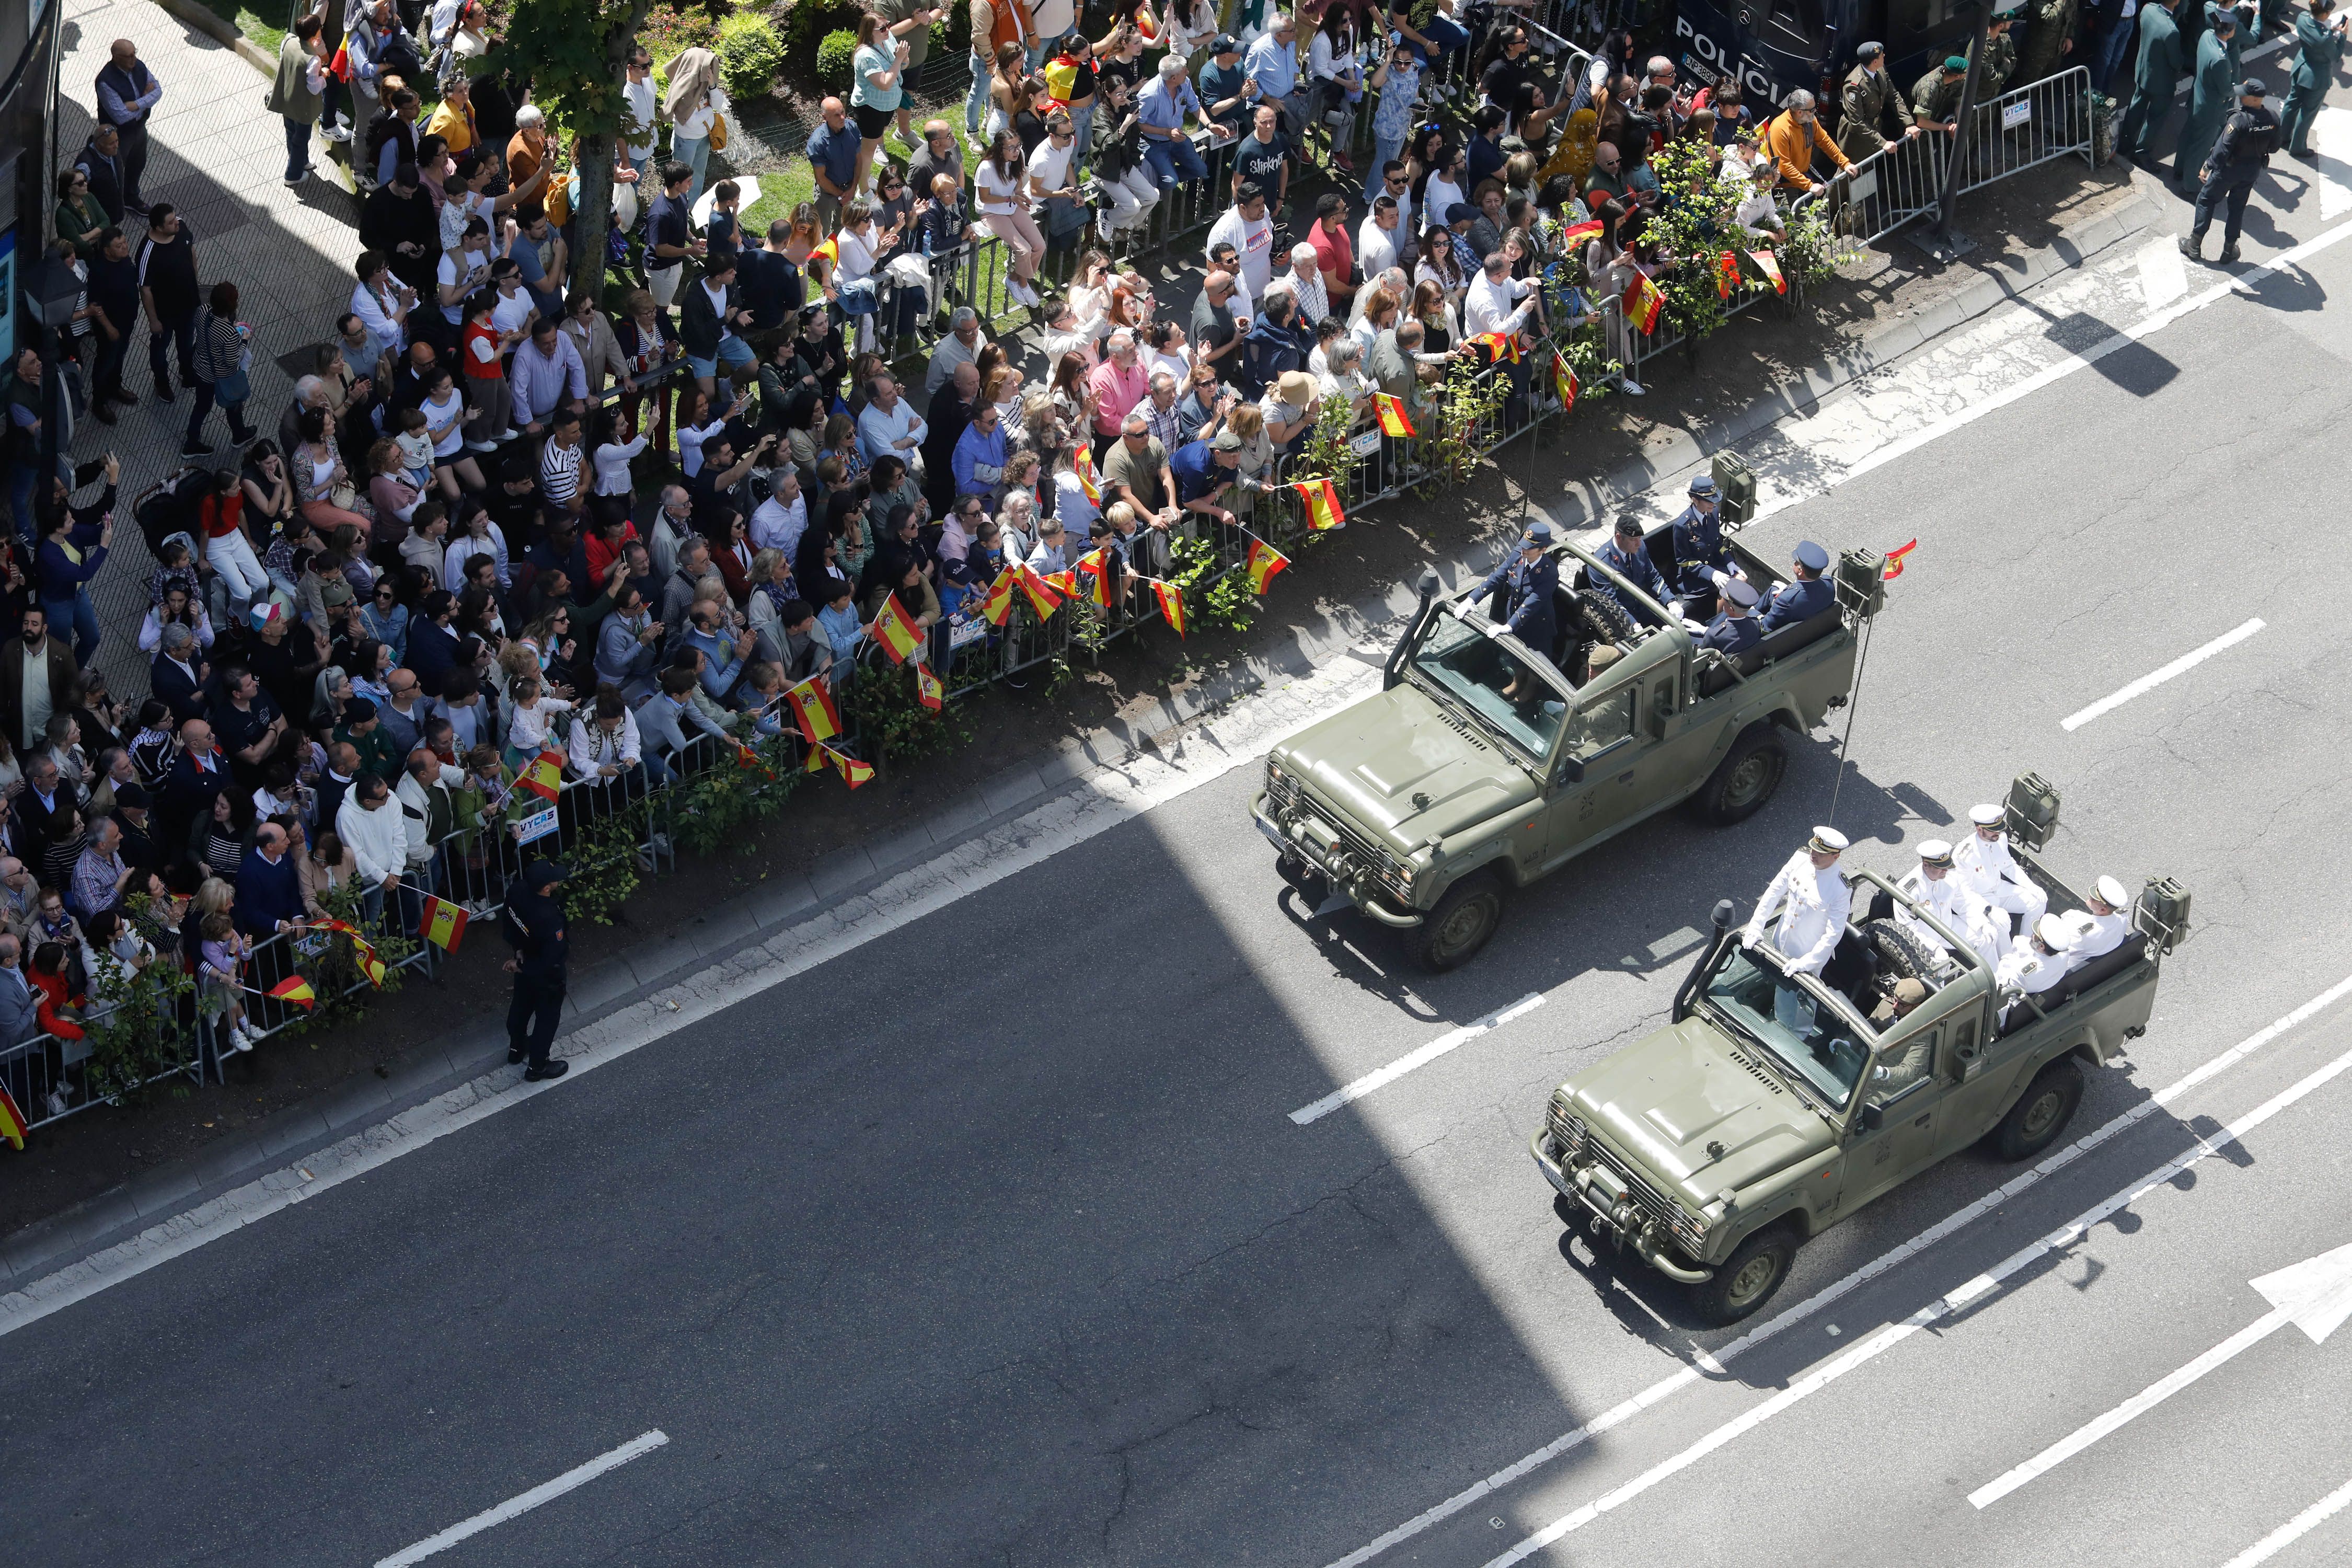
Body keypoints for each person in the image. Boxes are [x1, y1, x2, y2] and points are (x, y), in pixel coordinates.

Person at [1741, 826, 1853, 1032]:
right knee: (1779, 989)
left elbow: (1833, 934)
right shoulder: (1800, 859)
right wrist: (1755, 927)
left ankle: (1800, 1034)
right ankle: (1780, 1024)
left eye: (1821, 853)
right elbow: (1774, 892)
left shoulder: (1840, 888)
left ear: (1835, 856)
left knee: (1803, 1001)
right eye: (1813, 848)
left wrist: (1807, 963)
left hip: (1806, 955)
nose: (1814, 854)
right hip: (1780, 942)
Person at [2182, 78, 2279, 260]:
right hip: (2251, 171)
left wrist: (2207, 166)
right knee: (2237, 207)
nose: (2240, 96)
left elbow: (2222, 149)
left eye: (2245, 94)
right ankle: (2229, 249)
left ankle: (2194, 244)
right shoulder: (2273, 118)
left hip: (2227, 171)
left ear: (2255, 99)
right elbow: (2274, 148)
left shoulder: (2239, 120)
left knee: (2206, 200)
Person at [501, 858, 571, 1080]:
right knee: (547, 1018)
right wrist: (523, 966)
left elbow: (509, 924)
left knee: (521, 1007)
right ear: (547, 888)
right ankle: (537, 1068)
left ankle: (516, 1049)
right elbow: (553, 956)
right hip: (544, 973)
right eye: (554, 878)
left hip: (524, 957)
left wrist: (519, 951)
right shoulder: (550, 918)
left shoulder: (517, 891)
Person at [1894, 838, 2001, 970]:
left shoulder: (1949, 876)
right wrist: (1933, 947)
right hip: (1925, 938)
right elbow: (1909, 929)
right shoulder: (1908, 891)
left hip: (1948, 926)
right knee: (1941, 960)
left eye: (1947, 866)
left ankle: (1996, 982)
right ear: (1926, 865)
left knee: (1987, 937)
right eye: (1940, 868)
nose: (1946, 871)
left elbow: (1963, 904)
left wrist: (1983, 924)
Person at [1954, 802, 2051, 930]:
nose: (1998, 833)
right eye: (1993, 830)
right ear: (1980, 830)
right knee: (2001, 925)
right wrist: (1989, 910)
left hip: (2000, 890)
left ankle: (2026, 946)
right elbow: (1966, 892)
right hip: (1982, 899)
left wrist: (2031, 886)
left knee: (2038, 902)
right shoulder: (1965, 855)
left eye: (1999, 828)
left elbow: (2009, 866)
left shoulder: (2001, 838)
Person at [1475, 522, 1561, 663]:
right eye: (1523, 545)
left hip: (1537, 628)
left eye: (1530, 548)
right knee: (1517, 663)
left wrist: (1509, 626)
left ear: (1543, 550)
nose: (1524, 550)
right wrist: (1471, 599)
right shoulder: (1517, 555)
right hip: (1513, 619)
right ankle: (1518, 682)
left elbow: (1532, 602)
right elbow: (1497, 578)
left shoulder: (1549, 572)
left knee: (1537, 667)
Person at [95, 39, 164, 213]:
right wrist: (145, 99)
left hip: (139, 127)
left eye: (135, 53)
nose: (134, 59)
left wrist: (135, 104)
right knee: (115, 170)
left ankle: (131, 198)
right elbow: (121, 116)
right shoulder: (106, 82)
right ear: (116, 58)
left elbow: (158, 91)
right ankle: (110, 205)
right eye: (129, 56)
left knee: (138, 164)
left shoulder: (138, 67)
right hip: (118, 135)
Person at [2174, 11, 2240, 191]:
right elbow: (2226, 89)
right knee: (2200, 149)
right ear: (2229, 32)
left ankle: (2179, 170)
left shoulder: (2206, 37)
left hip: (2198, 98)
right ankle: (2190, 187)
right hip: (2211, 108)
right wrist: (2243, 89)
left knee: (2188, 137)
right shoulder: (2221, 59)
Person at [2119, 0, 2190, 161]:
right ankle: (2142, 153)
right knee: (2155, 118)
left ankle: (2124, 142)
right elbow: (2177, 62)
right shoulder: (2171, 30)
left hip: (2143, 72)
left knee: (2136, 107)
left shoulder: (2148, 10)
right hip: (2161, 82)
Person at [1838, 42, 1920, 161]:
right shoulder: (1854, 86)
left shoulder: (1880, 69)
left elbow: (1894, 97)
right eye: (1882, 55)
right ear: (1875, 62)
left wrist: (1909, 123)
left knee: (1869, 168)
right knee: (1851, 172)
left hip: (1874, 129)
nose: (1884, 56)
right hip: (1857, 138)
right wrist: (1882, 142)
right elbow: (1857, 122)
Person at [2285, 0, 2346, 157]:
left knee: (2291, 102)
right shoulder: (2325, 38)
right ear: (2326, 14)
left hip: (2301, 66)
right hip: (2317, 77)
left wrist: (2331, 31)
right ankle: (2297, 148)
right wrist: (2342, 37)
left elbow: (2316, 34)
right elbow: (2336, 55)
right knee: (2307, 113)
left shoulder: (2302, 18)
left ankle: (2282, 137)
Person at [1592, 512, 1672, 622]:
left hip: (1645, 606)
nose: (1639, 544)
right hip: (1623, 617)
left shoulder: (1640, 547)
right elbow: (1611, 602)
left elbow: (1653, 577)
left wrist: (1670, 600)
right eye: (1633, 540)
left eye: (1639, 538)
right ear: (1619, 538)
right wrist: (1632, 624)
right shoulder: (1601, 563)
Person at [1758, 540, 1835, 632]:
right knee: (1773, 590)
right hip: (1813, 626)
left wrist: (1752, 612)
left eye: (1796, 562)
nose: (1794, 563)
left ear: (1800, 571)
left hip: (1786, 635)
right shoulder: (1829, 584)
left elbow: (1766, 627)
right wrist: (1787, 591)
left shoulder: (1786, 600)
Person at [1997, 913, 2077, 998]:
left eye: (2036, 935)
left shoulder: (2021, 971)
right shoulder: (2064, 955)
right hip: (2044, 988)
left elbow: (2002, 989)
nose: (2033, 935)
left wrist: (2007, 958)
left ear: (2041, 946)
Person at [2065, 875, 2135, 963]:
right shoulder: (2123, 917)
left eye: (2093, 899)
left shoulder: (2081, 931)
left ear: (2103, 909)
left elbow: (2060, 950)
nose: (2089, 895)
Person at [1699, 577, 1762, 654]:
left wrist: (1705, 631)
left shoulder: (1714, 636)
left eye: (1726, 601)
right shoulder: (1756, 624)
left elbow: (1702, 655)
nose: (1723, 601)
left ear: (1731, 609)